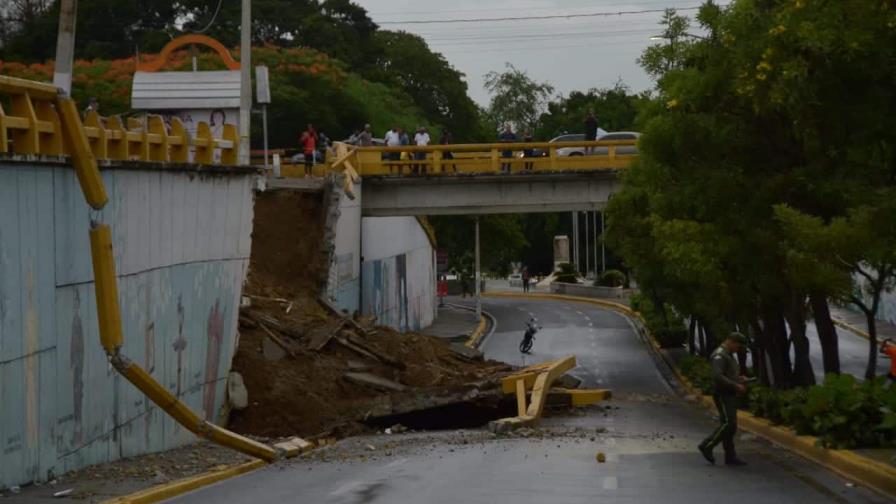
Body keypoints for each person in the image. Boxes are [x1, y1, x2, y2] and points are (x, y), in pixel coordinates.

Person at [699, 332, 749, 466]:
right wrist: (735, 385)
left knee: (730, 426)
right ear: (731, 342)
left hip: (729, 393)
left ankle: (730, 456)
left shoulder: (728, 355)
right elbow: (718, 376)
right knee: (729, 423)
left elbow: (728, 374)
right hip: (722, 393)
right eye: (737, 346)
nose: (737, 349)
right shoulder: (720, 355)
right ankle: (707, 445)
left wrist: (739, 380)